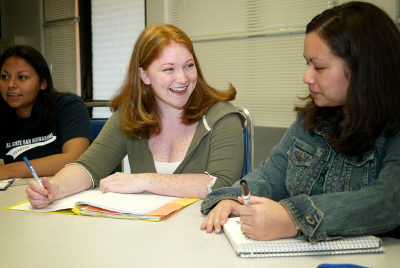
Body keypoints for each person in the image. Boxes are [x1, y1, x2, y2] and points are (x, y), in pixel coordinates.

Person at [200, 1, 400, 242]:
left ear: (364, 68)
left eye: (319, 67)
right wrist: (232, 198)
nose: (307, 77)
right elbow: (268, 176)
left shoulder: (392, 130)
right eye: (307, 64)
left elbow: (388, 201)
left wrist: (293, 217)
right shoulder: (311, 120)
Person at [26, 24, 244, 208]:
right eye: (169, 69)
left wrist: (144, 181)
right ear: (144, 75)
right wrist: (54, 188)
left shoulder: (222, 117)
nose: (183, 78)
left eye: (189, 66)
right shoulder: (129, 117)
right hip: (146, 238)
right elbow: (89, 167)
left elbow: (222, 184)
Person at [0, 45, 93, 181]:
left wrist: (8, 170)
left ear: (43, 83)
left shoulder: (68, 106)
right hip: (19, 193)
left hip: (66, 189)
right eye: (4, 76)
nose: (11, 84)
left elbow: (74, 158)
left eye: (22, 77)